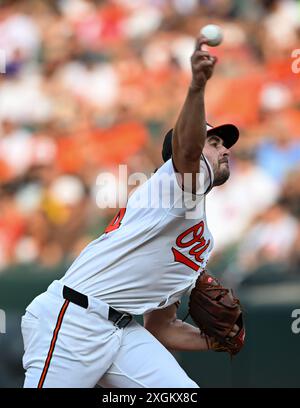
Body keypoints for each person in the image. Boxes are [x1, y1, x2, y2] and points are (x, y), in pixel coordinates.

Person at [21, 35, 240, 388]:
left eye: (222, 143)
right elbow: (186, 150)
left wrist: (216, 340)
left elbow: (161, 326)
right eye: (214, 142)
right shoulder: (173, 184)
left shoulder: (201, 237)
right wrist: (197, 87)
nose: (224, 149)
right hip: (73, 320)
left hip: (122, 331)